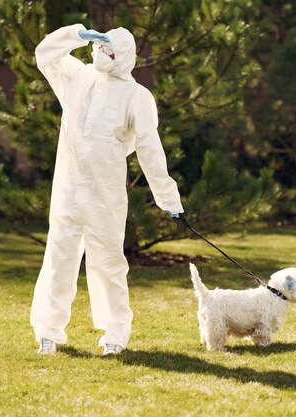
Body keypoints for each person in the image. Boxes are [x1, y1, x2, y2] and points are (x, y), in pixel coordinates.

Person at [30, 24, 186, 355]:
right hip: (68, 189)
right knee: (59, 259)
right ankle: (49, 331)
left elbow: (150, 150)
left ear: (125, 56)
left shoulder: (137, 96)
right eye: (100, 48)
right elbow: (45, 54)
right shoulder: (78, 78)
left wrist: (169, 200)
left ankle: (115, 334)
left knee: (109, 263)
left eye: (110, 50)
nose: (102, 55)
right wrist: (77, 34)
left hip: (105, 195)